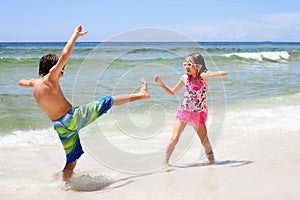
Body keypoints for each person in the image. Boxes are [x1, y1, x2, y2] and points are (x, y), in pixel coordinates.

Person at [18, 25, 150, 181]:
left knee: (71, 161)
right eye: (63, 71)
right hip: (73, 117)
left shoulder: (35, 84)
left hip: (60, 127)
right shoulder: (51, 77)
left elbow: (21, 82)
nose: (61, 74)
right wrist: (75, 35)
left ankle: (63, 186)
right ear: (56, 70)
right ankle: (141, 95)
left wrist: (31, 81)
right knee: (108, 101)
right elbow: (65, 54)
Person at [154, 52, 227, 165]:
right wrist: (161, 84)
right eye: (185, 64)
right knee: (174, 139)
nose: (186, 66)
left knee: (205, 141)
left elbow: (224, 73)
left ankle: (212, 164)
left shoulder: (205, 78)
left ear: (198, 66)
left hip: (198, 114)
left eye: (190, 64)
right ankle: (165, 163)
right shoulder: (184, 78)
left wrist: (206, 74)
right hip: (184, 112)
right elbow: (173, 92)